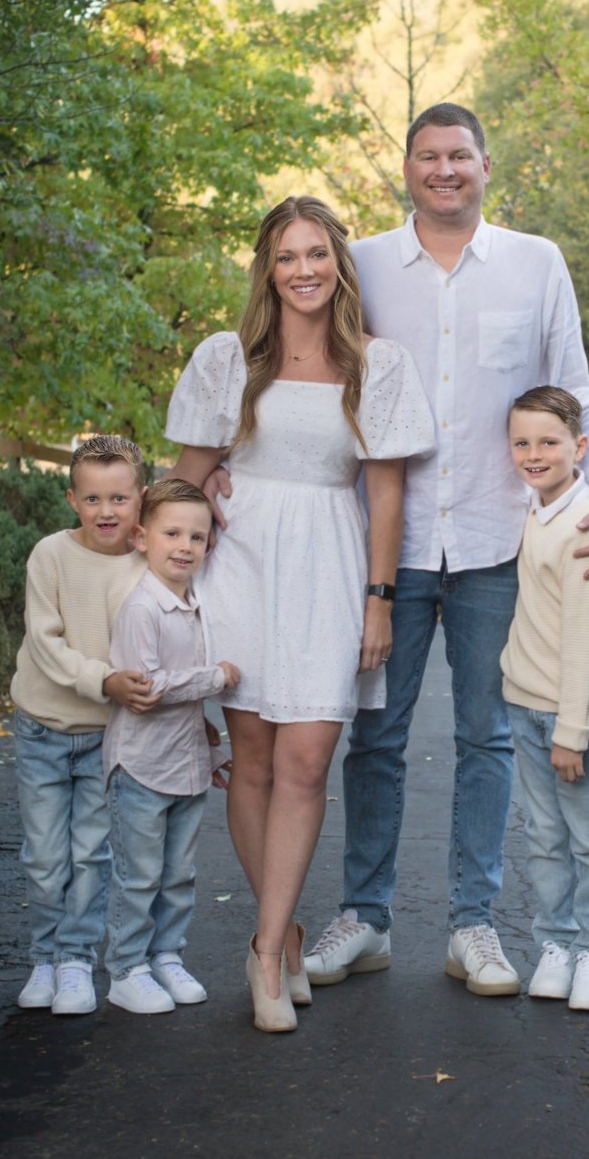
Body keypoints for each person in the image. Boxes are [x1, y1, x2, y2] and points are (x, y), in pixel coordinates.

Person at [298, 102, 589, 998]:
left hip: (499, 542)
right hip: (388, 540)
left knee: (490, 737)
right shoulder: (363, 263)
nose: (443, 170)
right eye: (426, 157)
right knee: (374, 732)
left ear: (487, 165)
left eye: (459, 156)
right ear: (404, 169)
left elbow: (578, 391)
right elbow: (307, 370)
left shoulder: (536, 263)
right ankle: (364, 920)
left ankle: (473, 925)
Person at [166, 195, 434, 1032]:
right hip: (242, 562)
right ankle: (275, 943)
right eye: (288, 256)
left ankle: (268, 940)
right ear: (267, 269)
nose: (305, 270)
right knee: (252, 758)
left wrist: (379, 601)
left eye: (318, 253)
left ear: (338, 264)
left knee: (309, 759)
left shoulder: (376, 365)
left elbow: (385, 497)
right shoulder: (226, 360)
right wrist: (196, 492)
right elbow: (184, 480)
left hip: (330, 561)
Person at [7, 435, 159, 1016]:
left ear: (140, 498)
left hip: (108, 736)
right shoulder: (50, 556)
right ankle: (42, 957)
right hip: (44, 729)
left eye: (120, 498)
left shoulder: (149, 563)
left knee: (92, 854)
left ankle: (75, 961)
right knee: (46, 857)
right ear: (72, 498)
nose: (107, 511)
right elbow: (45, 646)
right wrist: (102, 680)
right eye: (93, 499)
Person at [500, 386, 589, 1013]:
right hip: (526, 703)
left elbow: (586, 640)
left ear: (580, 447)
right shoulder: (535, 507)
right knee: (543, 837)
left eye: (548, 442)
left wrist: (572, 732)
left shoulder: (588, 524)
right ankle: (555, 945)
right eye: (521, 442)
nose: (533, 453)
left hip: (576, 716)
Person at [100, 478, 240, 1015]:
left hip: (185, 767)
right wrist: (217, 678)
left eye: (197, 537)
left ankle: (167, 955)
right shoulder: (143, 609)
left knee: (179, 873)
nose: (185, 545)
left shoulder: (198, 604)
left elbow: (184, 703)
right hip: (140, 766)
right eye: (172, 533)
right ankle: (127, 968)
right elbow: (147, 689)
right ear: (141, 538)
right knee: (139, 875)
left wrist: (207, 742)